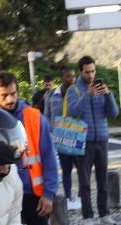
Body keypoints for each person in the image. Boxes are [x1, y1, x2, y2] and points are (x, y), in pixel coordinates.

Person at [0, 72, 59, 225]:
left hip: (33, 194)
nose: (10, 99)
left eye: (13, 94)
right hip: (2, 195)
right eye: (5, 95)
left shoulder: (34, 117)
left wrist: (49, 194)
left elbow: (48, 157)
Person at [67, 55, 120, 225]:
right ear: (81, 71)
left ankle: (104, 214)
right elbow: (73, 113)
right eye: (87, 72)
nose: (91, 75)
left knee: (102, 181)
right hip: (83, 142)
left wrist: (108, 94)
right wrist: (87, 96)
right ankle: (88, 217)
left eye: (93, 71)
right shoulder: (73, 91)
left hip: (102, 140)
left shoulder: (101, 90)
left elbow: (113, 113)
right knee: (84, 182)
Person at [44, 66, 80, 210]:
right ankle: (68, 197)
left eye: (73, 76)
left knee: (81, 168)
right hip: (59, 136)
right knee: (66, 169)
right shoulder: (52, 95)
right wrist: (50, 131)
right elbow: (47, 115)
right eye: (68, 77)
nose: (71, 79)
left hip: (76, 134)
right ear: (62, 77)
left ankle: (82, 197)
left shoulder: (79, 93)